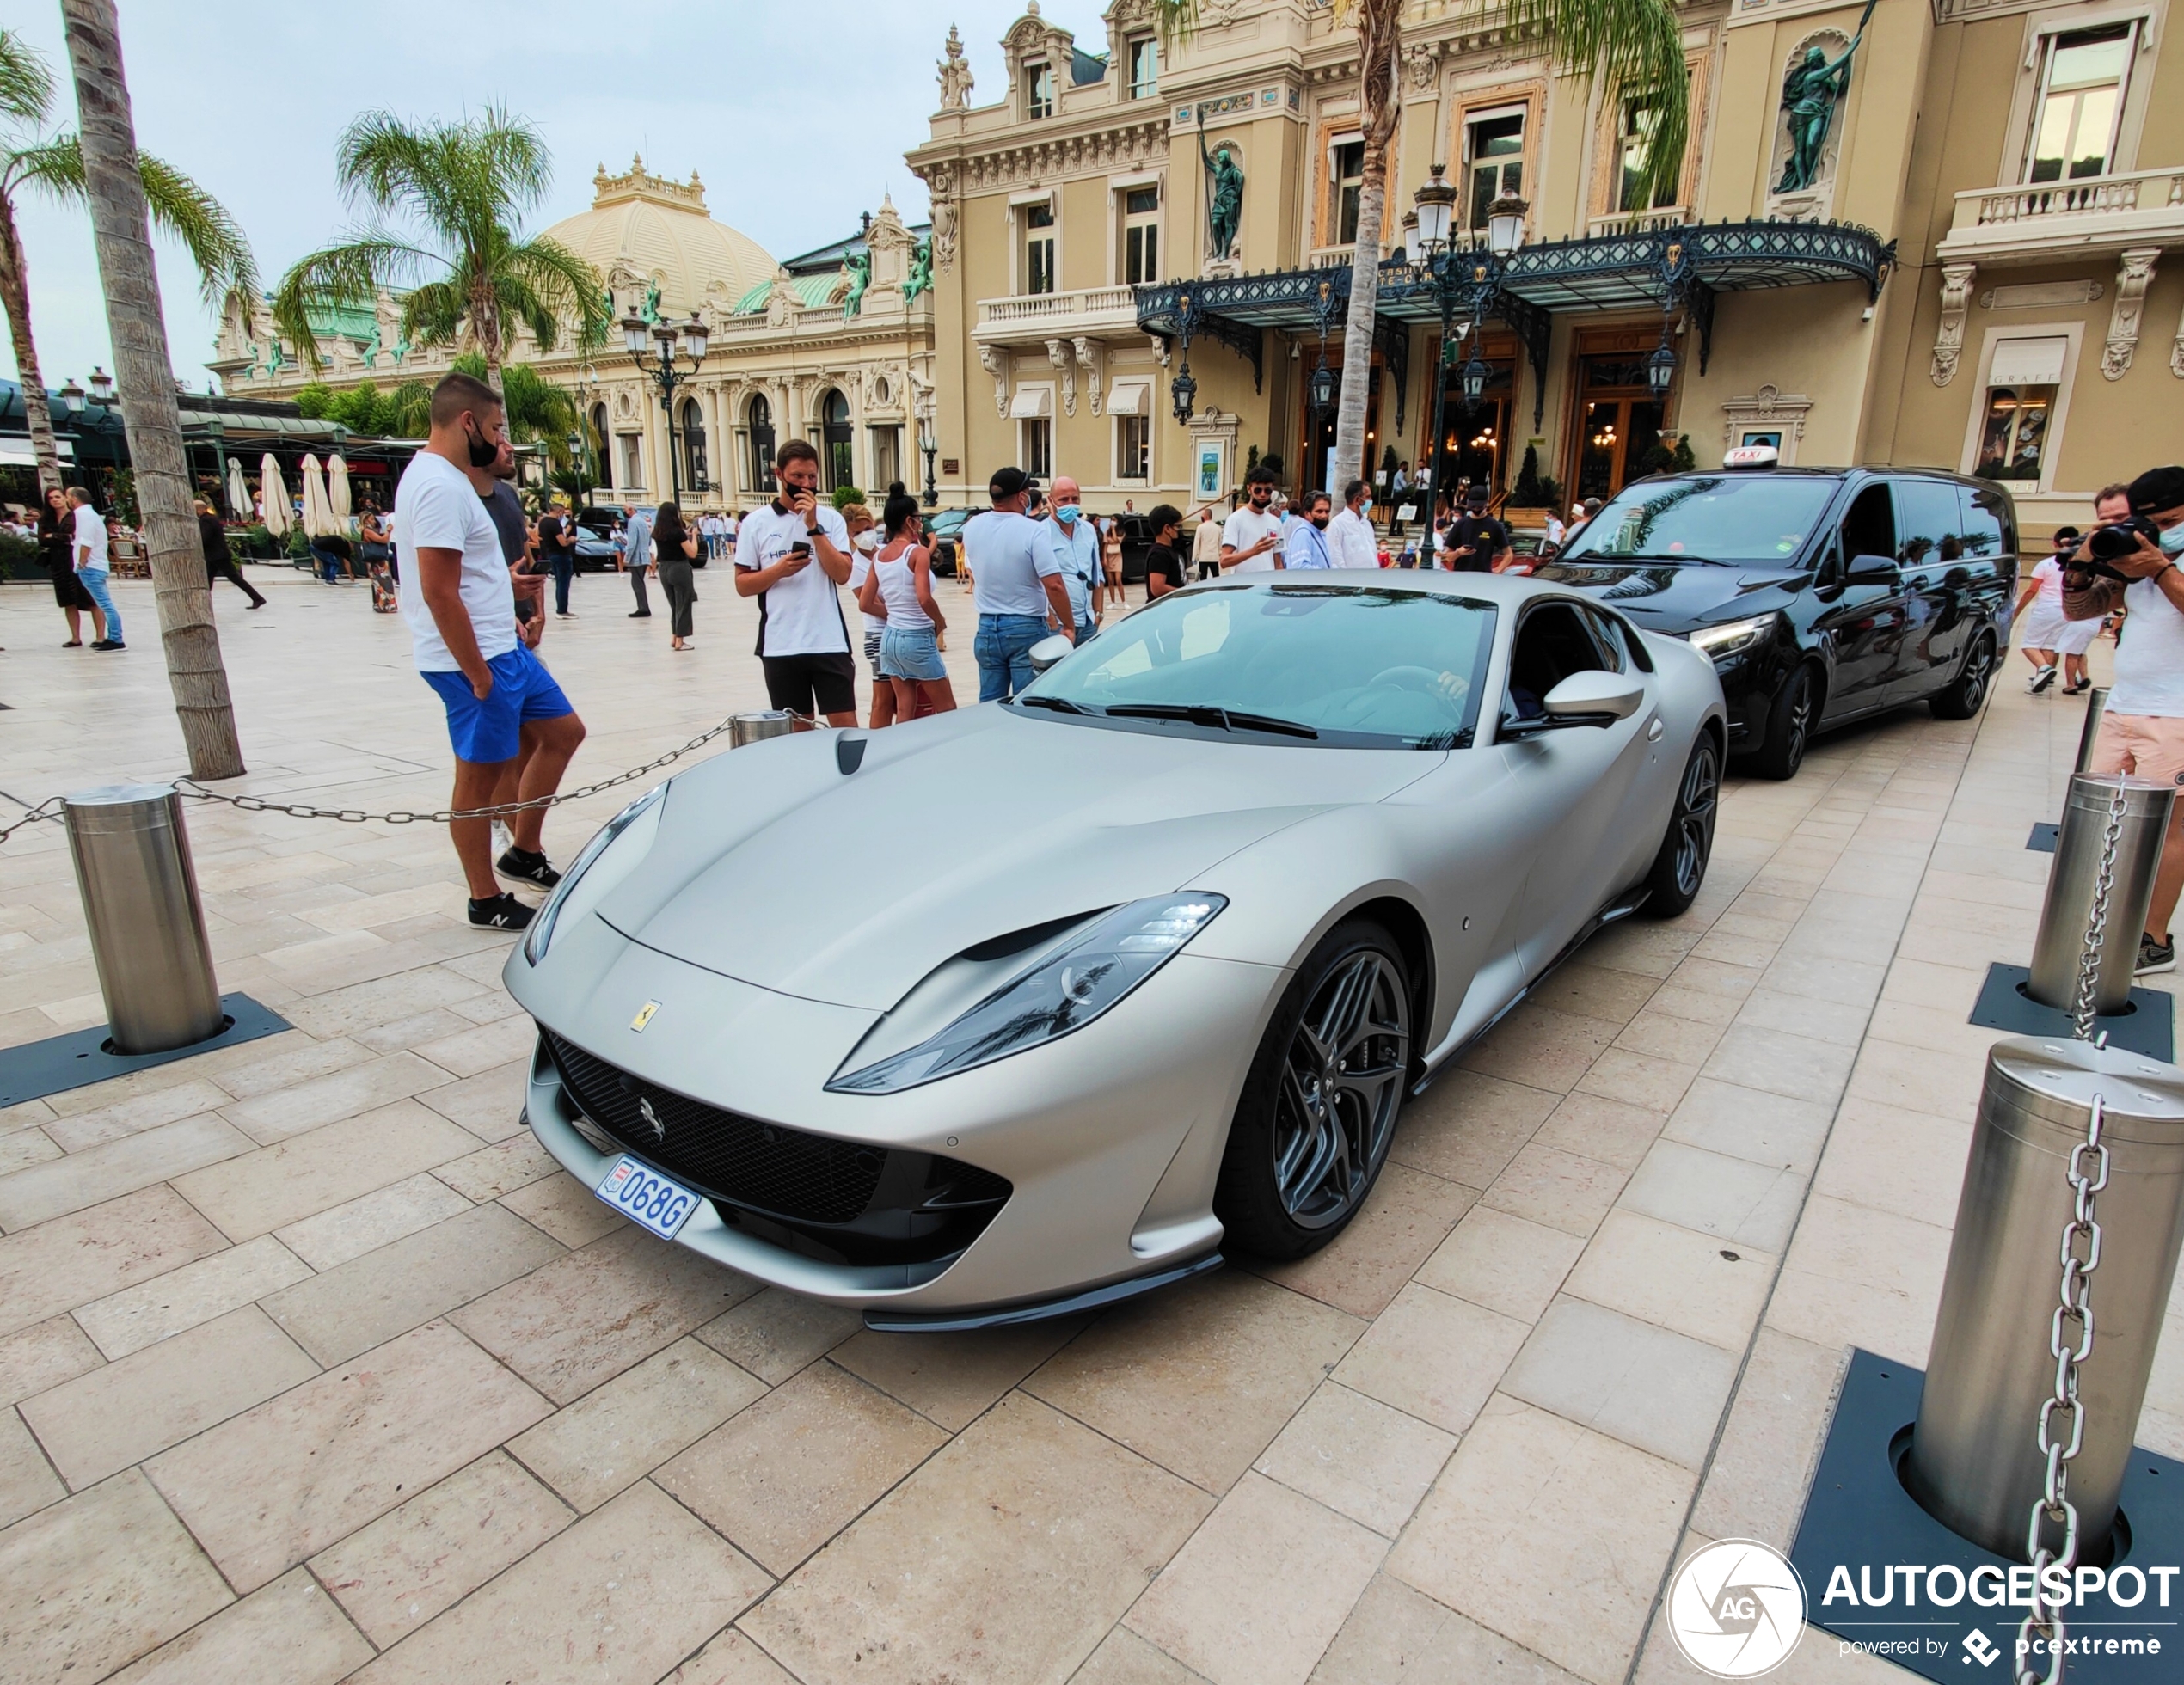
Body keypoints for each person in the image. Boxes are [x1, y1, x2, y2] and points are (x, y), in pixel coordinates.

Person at [394, 371, 586, 928]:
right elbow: (436, 590)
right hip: (476, 660)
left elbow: (463, 577)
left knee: (564, 732)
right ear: (468, 422)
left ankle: (523, 851)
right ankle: (484, 897)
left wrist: (504, 586)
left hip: (504, 647)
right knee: (476, 782)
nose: (503, 438)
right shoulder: (436, 486)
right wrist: (477, 674)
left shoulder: (447, 481)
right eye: (497, 427)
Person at [2061, 464, 2184, 973]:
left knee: (2172, 830)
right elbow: (2079, 609)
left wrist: (2159, 568)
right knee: (2109, 818)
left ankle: (2154, 939)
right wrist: (2082, 565)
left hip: (2176, 713)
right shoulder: (2138, 564)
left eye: (2172, 519)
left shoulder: (2159, 565)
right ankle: (2107, 918)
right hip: (2124, 706)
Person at [734, 440, 857, 728]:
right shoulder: (756, 523)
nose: (806, 484)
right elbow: (742, 584)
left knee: (845, 727)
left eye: (812, 477)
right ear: (779, 474)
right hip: (781, 644)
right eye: (798, 477)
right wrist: (778, 570)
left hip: (828, 640)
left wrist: (814, 528)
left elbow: (843, 574)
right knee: (798, 728)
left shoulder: (832, 520)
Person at [966, 465, 1072, 702]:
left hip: (986, 626)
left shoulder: (972, 526)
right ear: (1022, 497)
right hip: (1025, 626)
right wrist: (1069, 625)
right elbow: (1053, 584)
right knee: (1026, 701)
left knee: (990, 702)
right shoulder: (1033, 531)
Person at [859, 488, 956, 723]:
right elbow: (924, 597)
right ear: (909, 521)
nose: (921, 525)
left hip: (890, 638)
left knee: (904, 708)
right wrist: (939, 621)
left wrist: (893, 611)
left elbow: (865, 602)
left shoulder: (879, 557)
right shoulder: (917, 552)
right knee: (948, 708)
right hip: (917, 636)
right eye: (919, 519)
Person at [2015, 527, 2095, 694]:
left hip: (2047, 608)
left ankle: (2044, 669)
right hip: (2067, 609)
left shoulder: (2046, 564)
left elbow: (2032, 590)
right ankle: (2043, 676)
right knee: (2050, 645)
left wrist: (2017, 611)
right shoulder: (2082, 566)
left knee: (2029, 644)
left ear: (2054, 543)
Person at [844, 497, 895, 728]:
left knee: (899, 698)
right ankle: (876, 743)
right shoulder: (855, 566)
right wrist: (902, 613)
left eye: (867, 529)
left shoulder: (886, 552)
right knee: (883, 700)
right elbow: (868, 603)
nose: (865, 535)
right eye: (857, 533)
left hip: (897, 632)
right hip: (878, 635)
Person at [1044, 475, 1103, 648]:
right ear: (1050, 500)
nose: (1070, 504)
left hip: (1089, 622)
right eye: (1063, 500)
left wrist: (1098, 613)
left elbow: (1097, 573)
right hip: (1059, 627)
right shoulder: (1040, 533)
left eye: (1074, 499)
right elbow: (1035, 583)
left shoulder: (1088, 529)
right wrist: (1052, 620)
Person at [40, 486, 101, 646]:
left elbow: (75, 537)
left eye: (58, 496)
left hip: (76, 560)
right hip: (58, 563)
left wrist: (54, 536)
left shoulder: (76, 516)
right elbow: (42, 539)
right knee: (67, 601)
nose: (55, 500)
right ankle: (75, 637)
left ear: (65, 498)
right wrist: (61, 537)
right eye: (51, 498)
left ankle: (100, 636)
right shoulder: (47, 519)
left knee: (90, 599)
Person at [66, 487, 123, 650]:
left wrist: (82, 562)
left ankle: (116, 638)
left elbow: (86, 541)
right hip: (95, 565)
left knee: (104, 604)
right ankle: (114, 637)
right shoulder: (90, 515)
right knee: (104, 603)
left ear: (75, 498)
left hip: (91, 566)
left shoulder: (83, 515)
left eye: (68, 497)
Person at [197, 499, 267, 609]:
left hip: (217, 555)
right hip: (216, 555)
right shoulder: (212, 519)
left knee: (234, 577)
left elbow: (205, 537)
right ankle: (203, 603)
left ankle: (257, 598)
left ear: (200, 509)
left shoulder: (206, 520)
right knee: (208, 579)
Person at [652, 501, 700, 651]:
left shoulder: (657, 531)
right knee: (684, 604)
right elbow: (692, 553)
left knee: (674, 605)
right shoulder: (677, 532)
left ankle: (674, 636)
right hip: (679, 568)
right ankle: (680, 640)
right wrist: (694, 536)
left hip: (664, 568)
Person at [1221, 469, 1284, 572]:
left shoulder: (1276, 522)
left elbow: (1278, 562)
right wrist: (1253, 551)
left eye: (1267, 490)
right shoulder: (1235, 519)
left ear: (1272, 490)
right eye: (1258, 490)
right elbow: (1224, 560)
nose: (1263, 494)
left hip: (1268, 585)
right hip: (1243, 585)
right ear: (1249, 489)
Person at [1441, 488, 1509, 573]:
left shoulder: (1495, 526)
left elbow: (1508, 554)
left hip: (1483, 576)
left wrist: (1498, 570)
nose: (1476, 509)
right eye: (1473, 506)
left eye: (1479, 506)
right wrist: (1458, 553)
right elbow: (1448, 557)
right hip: (1461, 576)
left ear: (1486, 503)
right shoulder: (1460, 525)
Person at [1328, 478, 1379, 569]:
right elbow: (1336, 560)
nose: (1371, 500)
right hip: (1352, 581)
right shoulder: (1338, 524)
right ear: (1358, 500)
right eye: (1368, 497)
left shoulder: (1367, 524)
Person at [537, 503, 578, 616]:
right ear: (559, 511)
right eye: (562, 512)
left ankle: (560, 607)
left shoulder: (543, 522)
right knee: (564, 583)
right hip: (562, 555)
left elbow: (539, 535)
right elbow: (563, 542)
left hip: (551, 553)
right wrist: (571, 540)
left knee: (559, 582)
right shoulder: (555, 524)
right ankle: (562, 610)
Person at [1144, 505, 1186, 600]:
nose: (1179, 530)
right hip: (1165, 610)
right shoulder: (1159, 554)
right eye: (1178, 526)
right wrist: (1183, 592)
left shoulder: (1171, 550)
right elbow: (1157, 588)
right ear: (1167, 528)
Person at [1284, 491, 1336, 568]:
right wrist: (1326, 574)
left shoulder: (1318, 533)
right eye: (1319, 511)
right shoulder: (1303, 534)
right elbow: (1301, 569)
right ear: (1307, 513)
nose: (1324, 515)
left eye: (1327, 511)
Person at [620, 502, 652, 618]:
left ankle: (643, 608)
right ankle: (643, 607)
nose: (624, 511)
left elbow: (632, 542)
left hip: (637, 557)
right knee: (639, 582)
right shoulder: (643, 521)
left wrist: (627, 558)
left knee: (637, 583)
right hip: (644, 555)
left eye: (625, 509)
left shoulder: (633, 522)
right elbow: (648, 539)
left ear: (630, 509)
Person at [1100, 512, 1125, 610]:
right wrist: (1104, 558)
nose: (1112, 521)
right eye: (1112, 520)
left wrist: (1113, 529)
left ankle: (1124, 601)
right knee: (1110, 581)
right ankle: (1112, 602)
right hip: (1109, 557)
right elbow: (1106, 544)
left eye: (1114, 520)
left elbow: (1116, 540)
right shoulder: (1107, 532)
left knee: (1118, 580)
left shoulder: (1122, 532)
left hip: (1117, 557)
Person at [1191, 505, 1224, 580]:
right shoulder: (1218, 528)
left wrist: (1194, 557)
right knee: (1216, 576)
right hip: (1214, 557)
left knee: (1203, 578)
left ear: (1205, 516)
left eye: (1202, 515)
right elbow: (1220, 543)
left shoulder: (1200, 527)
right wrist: (1220, 553)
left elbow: (1197, 543)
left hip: (1203, 557)